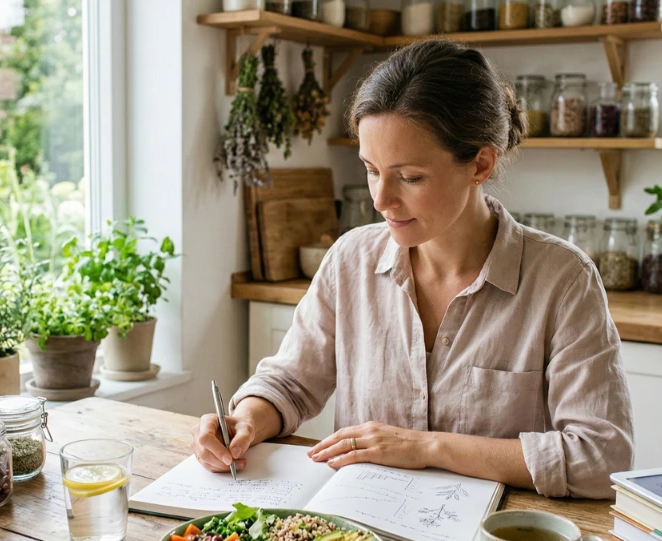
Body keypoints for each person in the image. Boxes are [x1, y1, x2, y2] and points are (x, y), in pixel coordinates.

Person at [192, 40, 634, 499]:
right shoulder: (350, 259)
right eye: (370, 169)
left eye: (410, 177)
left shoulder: (563, 279)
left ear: (480, 164)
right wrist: (245, 419)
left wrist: (427, 447)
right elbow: (290, 382)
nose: (380, 199)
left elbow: (602, 457)